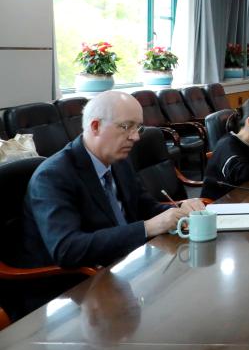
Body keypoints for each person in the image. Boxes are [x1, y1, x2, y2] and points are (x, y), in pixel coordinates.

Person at [21, 91, 204, 270]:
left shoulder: (119, 161)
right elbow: (67, 249)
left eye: (138, 128)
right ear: (95, 127)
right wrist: (147, 228)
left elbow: (145, 208)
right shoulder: (53, 176)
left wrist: (180, 211)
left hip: (126, 262)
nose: (136, 137)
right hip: (80, 280)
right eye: (126, 126)